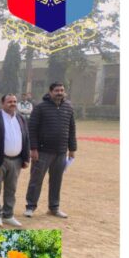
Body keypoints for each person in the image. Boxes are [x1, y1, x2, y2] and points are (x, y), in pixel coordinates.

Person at [24, 82, 77, 218]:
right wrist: (33, 149)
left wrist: (72, 149)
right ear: (50, 91)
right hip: (42, 151)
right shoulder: (40, 107)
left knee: (56, 180)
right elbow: (32, 129)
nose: (60, 92)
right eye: (57, 90)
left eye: (62, 90)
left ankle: (54, 207)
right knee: (36, 180)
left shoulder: (68, 107)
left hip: (61, 152)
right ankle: (30, 206)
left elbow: (71, 129)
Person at [0, 94, 30, 227]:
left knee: (11, 189)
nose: (13, 104)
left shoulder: (21, 118)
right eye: (9, 102)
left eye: (14, 101)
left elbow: (26, 138)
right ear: (2, 103)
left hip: (16, 161)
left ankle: (8, 215)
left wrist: (26, 158)